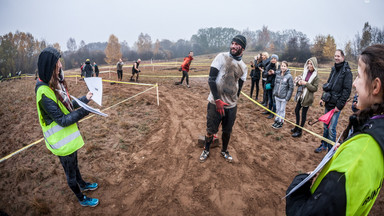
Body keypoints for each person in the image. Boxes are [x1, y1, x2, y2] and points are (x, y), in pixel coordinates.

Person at [286, 44, 384, 216]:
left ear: (376, 87)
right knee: (327, 129)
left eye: (359, 77)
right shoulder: (372, 136)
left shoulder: (357, 158)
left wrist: (296, 189)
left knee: (331, 129)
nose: (355, 83)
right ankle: (325, 144)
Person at [35, 47, 99, 207]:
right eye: (58, 63)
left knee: (74, 165)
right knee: (70, 173)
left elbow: (68, 103)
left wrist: (86, 98)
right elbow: (62, 120)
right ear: (50, 67)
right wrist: (86, 111)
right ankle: (81, 198)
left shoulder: (54, 85)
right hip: (61, 142)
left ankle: (83, 184)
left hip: (69, 139)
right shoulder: (44, 92)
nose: (61, 65)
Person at [199, 35, 248, 163]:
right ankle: (206, 149)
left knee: (227, 131)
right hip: (215, 103)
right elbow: (211, 79)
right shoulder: (221, 57)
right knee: (210, 130)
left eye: (236, 44)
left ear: (242, 48)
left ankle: (224, 151)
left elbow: (240, 88)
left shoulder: (243, 66)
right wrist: (217, 100)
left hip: (231, 106)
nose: (233, 46)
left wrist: (233, 101)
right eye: (232, 43)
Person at [315, 49, 352, 153]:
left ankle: (331, 152)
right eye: (335, 56)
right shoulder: (333, 69)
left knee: (331, 129)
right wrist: (323, 98)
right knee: (326, 126)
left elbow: (347, 91)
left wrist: (339, 106)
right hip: (328, 102)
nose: (336, 58)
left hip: (336, 106)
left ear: (343, 57)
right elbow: (328, 84)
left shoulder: (347, 72)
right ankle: (323, 145)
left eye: (338, 56)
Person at [291, 57, 319, 137]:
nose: (309, 65)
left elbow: (315, 88)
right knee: (296, 110)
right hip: (301, 95)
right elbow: (300, 81)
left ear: (314, 65)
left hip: (307, 98)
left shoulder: (316, 76)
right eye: (308, 63)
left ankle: (300, 131)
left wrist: (305, 83)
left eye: (311, 64)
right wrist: (299, 82)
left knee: (303, 114)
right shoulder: (305, 72)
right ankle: (296, 126)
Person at [272, 61, 293, 129]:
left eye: (284, 66)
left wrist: (287, 97)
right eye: (282, 66)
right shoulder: (278, 74)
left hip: (284, 97)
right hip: (277, 96)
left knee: (282, 110)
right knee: (277, 109)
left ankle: (281, 122)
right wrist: (274, 93)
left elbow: (291, 88)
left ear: (287, 67)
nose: (283, 67)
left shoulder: (289, 76)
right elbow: (275, 84)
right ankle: (277, 120)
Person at [263, 54, 279, 119]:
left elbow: (280, 73)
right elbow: (264, 74)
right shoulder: (268, 66)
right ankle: (269, 111)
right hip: (268, 84)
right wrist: (268, 73)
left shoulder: (278, 66)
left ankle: (273, 113)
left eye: (274, 59)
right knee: (269, 98)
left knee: (274, 99)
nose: (273, 60)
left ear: (276, 60)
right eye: (272, 58)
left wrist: (274, 72)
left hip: (275, 85)